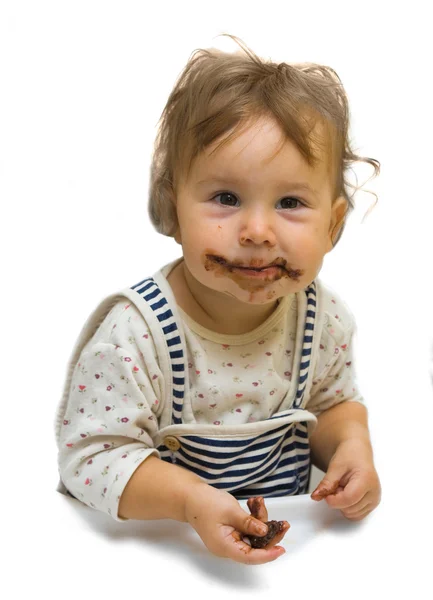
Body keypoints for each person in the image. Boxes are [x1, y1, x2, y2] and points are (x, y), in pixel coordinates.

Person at [54, 35, 382, 565]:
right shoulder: (135, 335)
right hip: (154, 558)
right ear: (172, 207)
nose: (256, 230)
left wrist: (350, 447)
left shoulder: (323, 321)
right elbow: (92, 459)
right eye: (225, 198)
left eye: (291, 202)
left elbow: (330, 405)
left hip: (294, 564)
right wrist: (190, 502)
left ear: (332, 224)